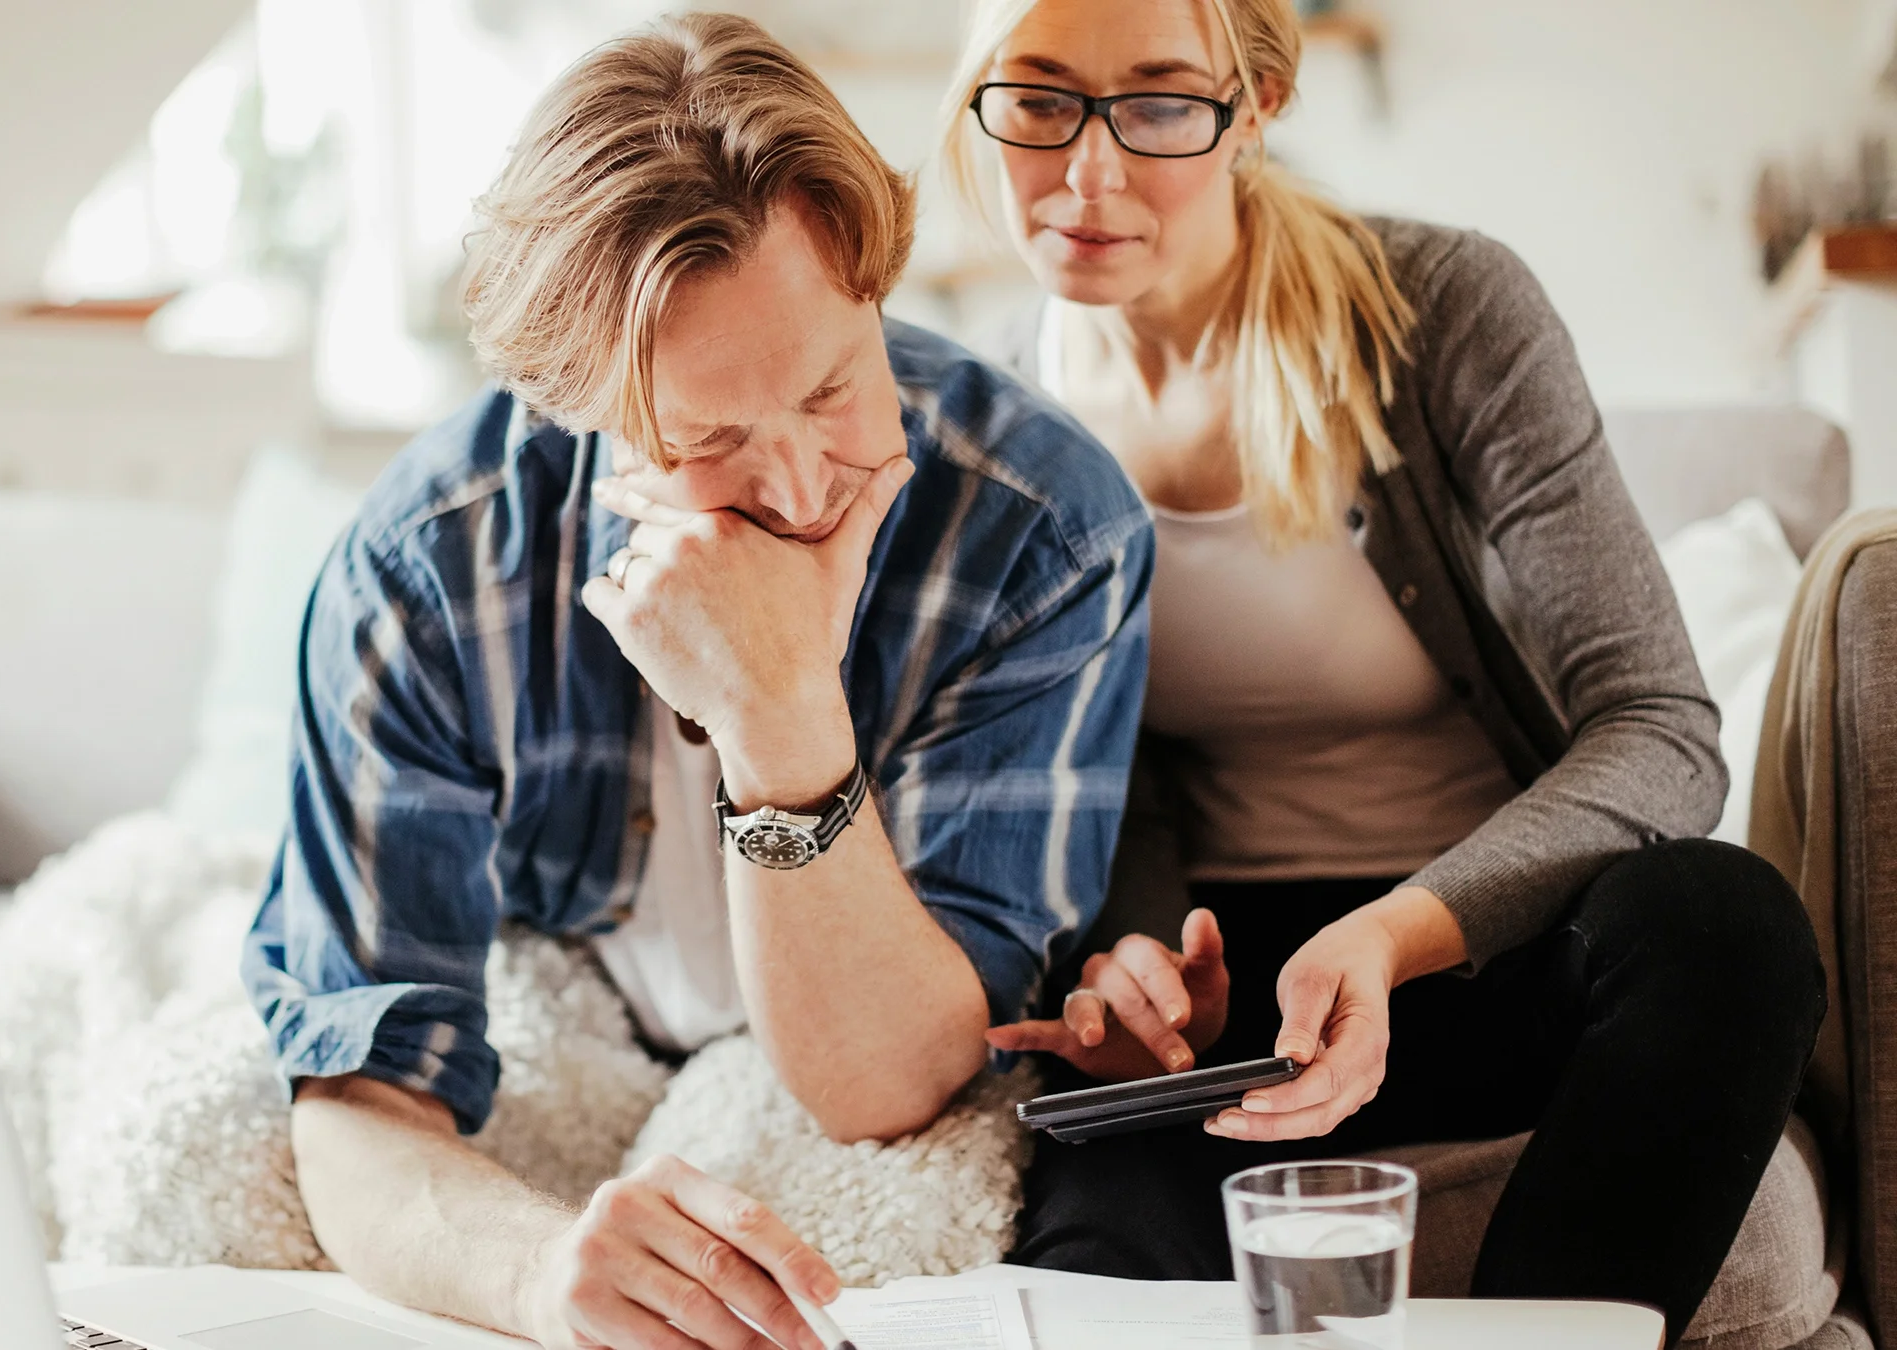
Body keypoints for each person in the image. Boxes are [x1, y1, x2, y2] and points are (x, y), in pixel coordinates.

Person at [240, 14, 1153, 1349]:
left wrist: (780, 709)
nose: (798, 487)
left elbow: (890, 1080)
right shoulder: (427, 572)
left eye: (836, 386)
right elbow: (365, 1095)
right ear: (582, 412)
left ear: (874, 292)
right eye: (711, 438)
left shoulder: (1046, 532)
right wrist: (536, 1270)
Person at [946, 0, 1826, 1339]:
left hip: (1483, 952)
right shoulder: (989, 419)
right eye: (1040, 97)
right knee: (1097, 1222)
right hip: (1235, 1010)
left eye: (1166, 102)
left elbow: (1662, 727)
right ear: (982, 101)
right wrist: (1125, 964)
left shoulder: (1446, 309)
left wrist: (1395, 932)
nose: (1090, 171)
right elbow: (1070, 798)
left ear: (1262, 106)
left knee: (1724, 922)